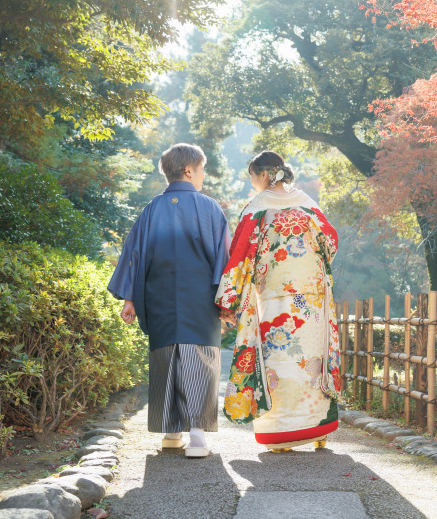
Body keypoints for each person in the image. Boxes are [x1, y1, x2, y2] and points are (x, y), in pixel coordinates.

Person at [108, 143, 230, 458]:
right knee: (200, 360)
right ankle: (198, 438)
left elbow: (134, 255)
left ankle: (171, 433)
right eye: (202, 170)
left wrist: (130, 298)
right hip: (200, 298)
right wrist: (227, 301)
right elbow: (223, 260)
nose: (203, 176)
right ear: (189, 170)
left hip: (158, 297)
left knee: (167, 358)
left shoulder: (152, 210)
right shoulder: (209, 208)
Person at [216, 150, 341, 452]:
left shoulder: (257, 208)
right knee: (312, 359)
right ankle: (318, 429)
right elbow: (331, 242)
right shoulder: (308, 204)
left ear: (261, 175)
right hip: (312, 300)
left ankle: (282, 434)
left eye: (252, 177)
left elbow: (239, 256)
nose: (252, 184)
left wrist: (227, 302)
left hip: (273, 299)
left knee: (279, 360)